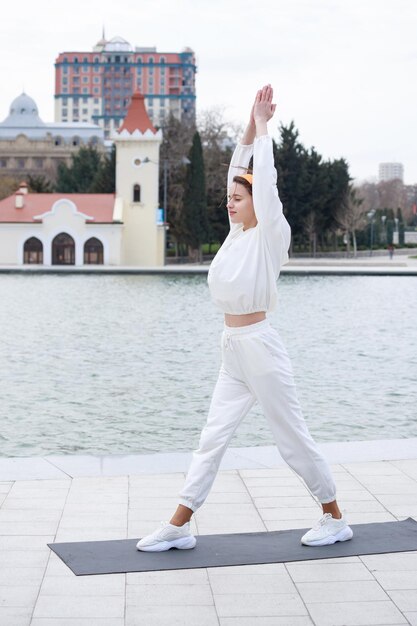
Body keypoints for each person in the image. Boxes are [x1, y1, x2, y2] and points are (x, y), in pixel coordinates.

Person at [137, 84, 353, 552]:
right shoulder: (237, 235)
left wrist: (265, 130)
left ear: (259, 202)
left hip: (261, 347)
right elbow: (241, 167)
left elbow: (264, 180)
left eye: (240, 197)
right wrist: (248, 122)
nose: (230, 201)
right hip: (232, 350)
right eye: (230, 197)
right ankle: (179, 523)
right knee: (211, 438)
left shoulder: (270, 235)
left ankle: (334, 516)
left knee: (292, 440)